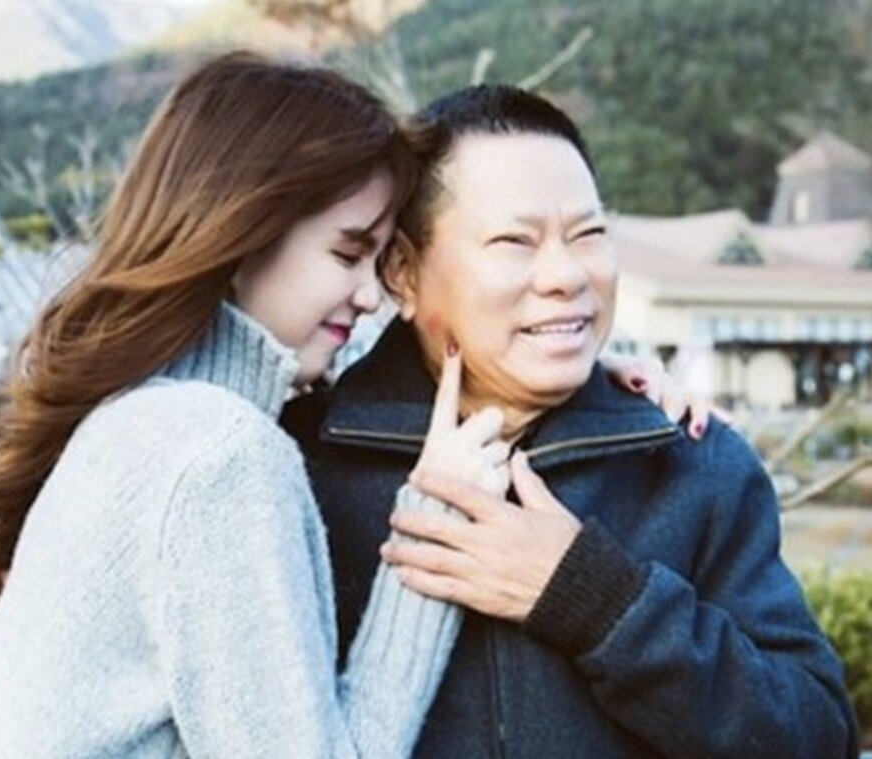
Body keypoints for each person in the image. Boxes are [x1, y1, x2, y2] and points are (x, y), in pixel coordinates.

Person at [0, 52, 526, 758]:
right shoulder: (219, 453)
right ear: (243, 236)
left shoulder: (137, 418)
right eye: (347, 254)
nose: (370, 295)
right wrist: (435, 522)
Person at [303, 85, 857, 757]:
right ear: (402, 271)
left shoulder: (691, 460)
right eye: (514, 241)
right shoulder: (306, 462)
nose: (566, 276)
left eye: (588, 234)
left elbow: (817, 737)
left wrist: (596, 601)